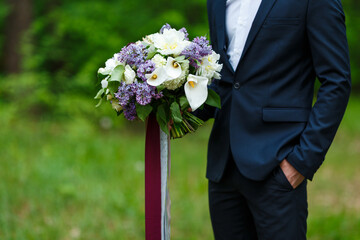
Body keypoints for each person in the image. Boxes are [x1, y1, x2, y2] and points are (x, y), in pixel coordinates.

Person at [195, 0, 352, 239]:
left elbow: (337, 82)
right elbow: (224, 80)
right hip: (223, 166)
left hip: (279, 163)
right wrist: (177, 110)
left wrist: (301, 162)